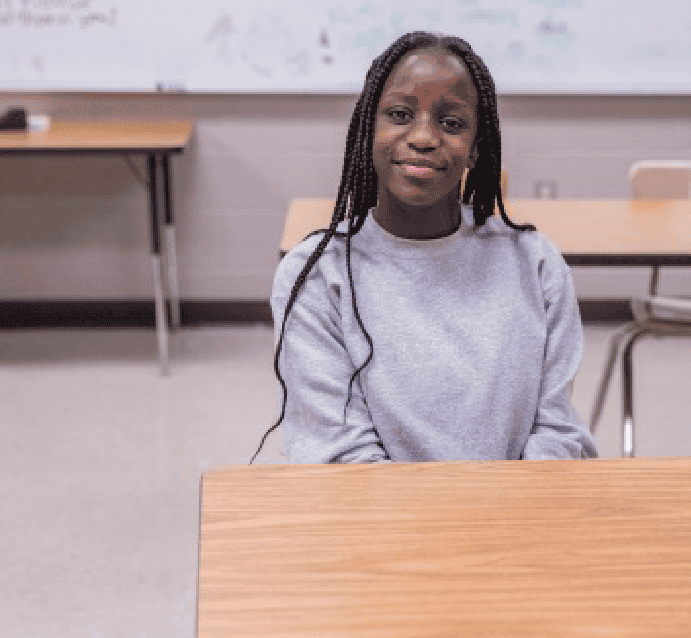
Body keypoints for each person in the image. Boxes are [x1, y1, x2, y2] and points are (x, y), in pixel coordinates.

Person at [254, 31, 597, 463]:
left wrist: (508, 517)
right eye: (399, 114)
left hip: (516, 518)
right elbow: (339, 456)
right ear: (368, 130)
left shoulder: (536, 264)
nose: (423, 137)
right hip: (378, 524)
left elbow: (556, 430)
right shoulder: (319, 277)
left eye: (452, 124)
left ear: (475, 149)